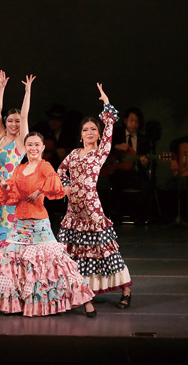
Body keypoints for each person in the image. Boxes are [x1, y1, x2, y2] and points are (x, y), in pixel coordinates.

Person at [0, 131, 96, 317]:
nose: (33, 148)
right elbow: (12, 194)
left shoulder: (44, 166)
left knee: (57, 263)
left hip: (38, 223)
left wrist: (39, 191)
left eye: (37, 144)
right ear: (25, 147)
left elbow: (55, 182)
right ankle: (15, 303)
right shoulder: (19, 169)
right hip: (19, 223)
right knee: (13, 262)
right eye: (30, 144)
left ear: (43, 147)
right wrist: (6, 187)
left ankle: (86, 300)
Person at [57, 83, 133, 310]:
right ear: (80, 135)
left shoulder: (100, 153)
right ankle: (81, 291)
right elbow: (60, 171)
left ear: (99, 134)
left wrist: (106, 103)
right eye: (85, 129)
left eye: (93, 129)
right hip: (73, 211)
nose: (89, 132)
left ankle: (125, 288)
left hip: (91, 210)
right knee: (76, 254)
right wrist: (66, 186)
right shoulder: (73, 154)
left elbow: (110, 125)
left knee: (104, 251)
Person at [0, 71, 35, 241]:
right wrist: (1, 88)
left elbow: (25, 115)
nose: (14, 124)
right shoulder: (0, 137)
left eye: (17, 121)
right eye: (10, 120)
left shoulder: (21, 142)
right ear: (5, 122)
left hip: (11, 192)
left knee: (8, 230)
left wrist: (27, 92)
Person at [108, 107, 152, 226]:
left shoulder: (144, 140)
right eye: (131, 120)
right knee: (116, 181)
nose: (134, 124)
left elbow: (147, 160)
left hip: (137, 172)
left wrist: (144, 163)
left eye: (137, 121)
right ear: (125, 120)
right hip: (119, 171)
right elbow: (101, 147)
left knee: (146, 185)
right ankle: (116, 215)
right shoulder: (116, 134)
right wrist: (116, 147)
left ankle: (139, 216)